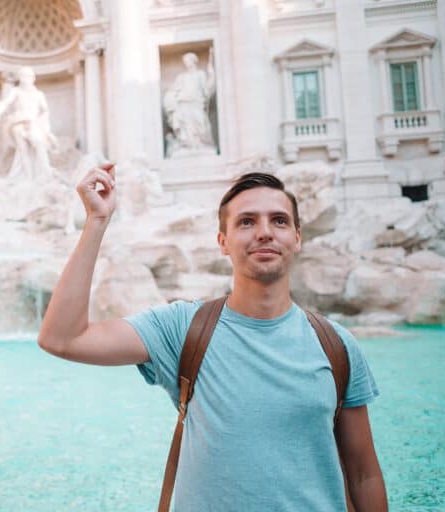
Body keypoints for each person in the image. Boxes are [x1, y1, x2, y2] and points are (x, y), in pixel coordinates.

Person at [37, 166, 388, 511]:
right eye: (246, 222)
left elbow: (363, 475)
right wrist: (96, 222)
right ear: (222, 241)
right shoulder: (182, 328)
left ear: (297, 238)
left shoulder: (336, 345)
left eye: (279, 221)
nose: (265, 232)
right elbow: (63, 338)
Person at [0, 67, 57, 181]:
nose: (24, 79)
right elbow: (5, 102)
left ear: (33, 78)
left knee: (39, 144)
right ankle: (28, 177)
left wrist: (45, 127)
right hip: (18, 123)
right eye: (22, 76)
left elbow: (45, 111)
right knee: (22, 151)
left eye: (27, 76)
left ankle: (46, 171)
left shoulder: (38, 94)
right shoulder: (16, 91)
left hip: (33, 123)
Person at [163, 50, 216, 157]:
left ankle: (200, 144)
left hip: (196, 103)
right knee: (186, 128)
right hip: (183, 104)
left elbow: (207, 89)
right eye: (184, 61)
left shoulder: (200, 74)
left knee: (200, 124)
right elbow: (174, 90)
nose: (186, 63)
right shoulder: (181, 77)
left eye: (187, 61)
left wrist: (212, 74)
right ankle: (189, 146)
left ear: (193, 61)